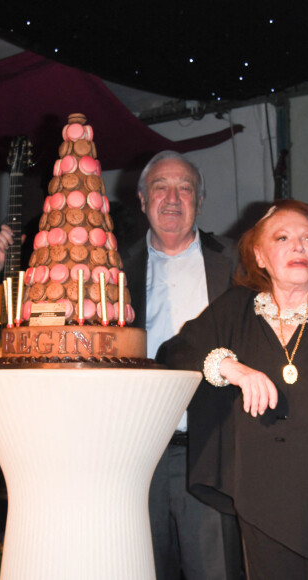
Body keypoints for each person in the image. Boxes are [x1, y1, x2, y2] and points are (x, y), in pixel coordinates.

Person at [157, 199, 308, 579]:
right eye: (283, 237)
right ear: (259, 255)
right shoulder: (237, 308)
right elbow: (174, 353)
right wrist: (229, 366)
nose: (299, 246)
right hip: (265, 503)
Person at [122, 151, 242, 580]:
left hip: (211, 448)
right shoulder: (115, 266)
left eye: (184, 188)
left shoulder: (235, 261)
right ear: (141, 199)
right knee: (144, 567)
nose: (172, 198)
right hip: (139, 452)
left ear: (201, 199)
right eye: (160, 187)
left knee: (214, 570)